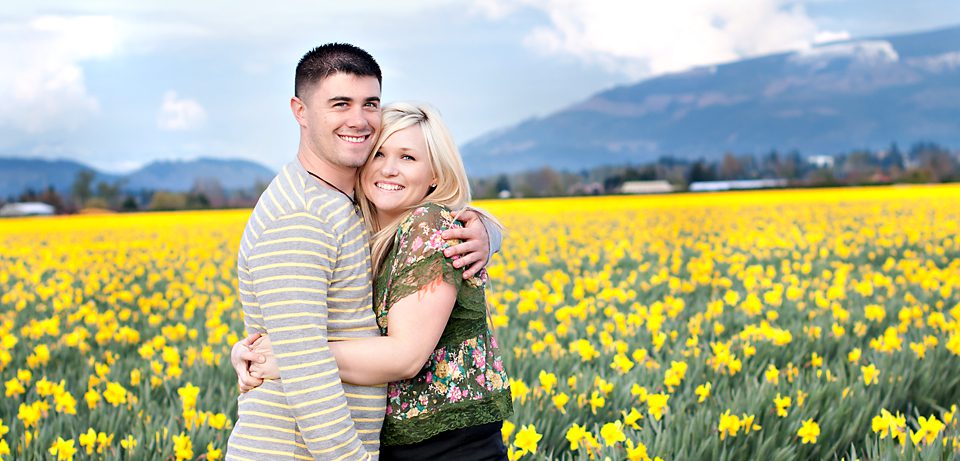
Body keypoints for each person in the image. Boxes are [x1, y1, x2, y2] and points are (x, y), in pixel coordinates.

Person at [225, 44, 498, 461]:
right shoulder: (301, 216)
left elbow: (305, 349)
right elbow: (308, 379)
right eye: (340, 104)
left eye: (369, 103)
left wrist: (485, 230)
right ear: (300, 111)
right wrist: (293, 359)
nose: (358, 119)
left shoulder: (349, 205)